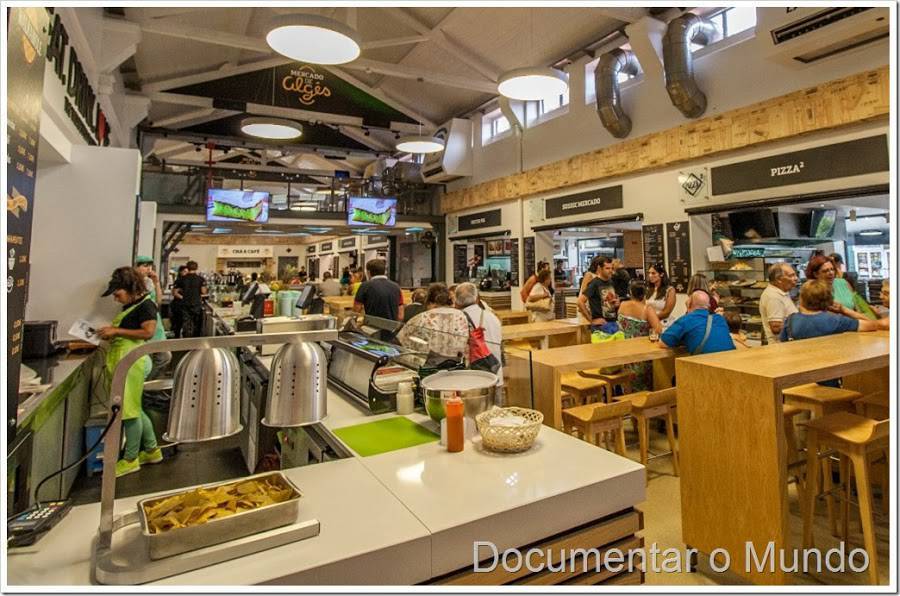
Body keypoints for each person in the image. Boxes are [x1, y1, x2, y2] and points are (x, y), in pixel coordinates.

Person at [97, 267, 163, 477]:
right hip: (126, 360)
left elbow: (148, 332)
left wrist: (116, 330)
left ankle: (130, 458)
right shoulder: (134, 305)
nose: (116, 299)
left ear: (130, 288)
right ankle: (152, 450)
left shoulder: (146, 306)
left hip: (133, 363)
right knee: (135, 408)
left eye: (118, 294)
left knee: (129, 412)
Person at [781, 281, 887, 386]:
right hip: (829, 379)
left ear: (802, 299)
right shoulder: (836, 321)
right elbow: (871, 325)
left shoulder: (790, 321)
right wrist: (844, 310)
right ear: (829, 300)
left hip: (796, 378)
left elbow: (784, 346)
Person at [396, 283, 468, 361]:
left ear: (429, 300)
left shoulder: (422, 317)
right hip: (455, 363)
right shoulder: (461, 315)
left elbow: (402, 341)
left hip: (427, 364)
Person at [616, 281, 663, 390]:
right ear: (645, 293)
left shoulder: (623, 305)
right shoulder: (647, 309)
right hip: (641, 352)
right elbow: (658, 329)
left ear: (631, 292)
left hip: (624, 350)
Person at [659, 290, 735, 355]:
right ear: (708, 305)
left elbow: (663, 343)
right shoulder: (720, 319)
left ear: (689, 303)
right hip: (729, 364)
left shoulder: (686, 320)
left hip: (705, 367)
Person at [455, 282, 503, 378]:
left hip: (474, 376)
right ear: (476, 298)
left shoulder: (458, 319)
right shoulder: (492, 316)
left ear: (456, 301)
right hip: (495, 371)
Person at [806, 254, 875, 319]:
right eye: (825, 271)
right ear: (816, 274)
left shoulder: (843, 283)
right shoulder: (812, 290)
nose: (831, 273)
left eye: (832, 269)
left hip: (854, 323)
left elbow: (857, 307)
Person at [134, 256, 170, 377]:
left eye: (150, 265)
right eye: (144, 265)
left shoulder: (149, 282)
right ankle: (148, 386)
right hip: (144, 322)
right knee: (148, 359)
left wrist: (156, 282)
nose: (148, 268)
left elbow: (158, 300)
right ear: (136, 267)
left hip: (156, 322)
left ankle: (151, 384)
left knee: (164, 356)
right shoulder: (133, 283)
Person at [759, 262, 799, 344]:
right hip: (781, 348)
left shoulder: (782, 292)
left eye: (795, 275)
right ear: (778, 279)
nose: (796, 278)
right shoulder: (774, 297)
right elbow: (776, 328)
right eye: (791, 276)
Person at [578, 257, 619, 329]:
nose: (610, 271)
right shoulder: (594, 283)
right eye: (607, 268)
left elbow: (611, 301)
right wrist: (591, 320)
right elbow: (580, 301)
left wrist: (616, 303)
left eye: (611, 268)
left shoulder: (611, 282)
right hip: (600, 325)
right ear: (600, 268)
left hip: (613, 322)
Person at [172, 260, 207, 337]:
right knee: (196, 324)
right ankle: (195, 342)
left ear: (187, 268)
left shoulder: (181, 279)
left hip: (185, 304)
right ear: (196, 268)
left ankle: (186, 340)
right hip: (196, 304)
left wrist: (183, 297)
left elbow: (174, 292)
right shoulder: (201, 279)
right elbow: (203, 292)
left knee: (186, 324)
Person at [169, 265, 188, 338]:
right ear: (180, 272)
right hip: (178, 305)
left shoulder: (186, 281)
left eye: (187, 272)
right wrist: (184, 298)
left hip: (183, 305)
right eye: (184, 271)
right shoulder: (179, 281)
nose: (186, 273)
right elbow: (174, 292)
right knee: (178, 324)